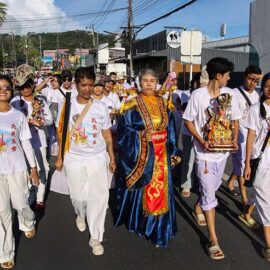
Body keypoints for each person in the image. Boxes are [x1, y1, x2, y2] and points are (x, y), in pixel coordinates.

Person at [114, 69, 181, 247]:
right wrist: (142, 136)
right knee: (146, 189)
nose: (149, 84)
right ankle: (144, 224)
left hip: (163, 154)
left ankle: (161, 228)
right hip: (144, 155)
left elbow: (172, 131)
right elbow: (123, 132)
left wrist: (174, 151)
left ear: (157, 83)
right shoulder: (131, 105)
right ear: (139, 83)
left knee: (162, 192)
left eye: (153, 80)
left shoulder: (165, 104)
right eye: (145, 80)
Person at [183, 57, 242, 260]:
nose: (229, 79)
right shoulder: (198, 96)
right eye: (227, 75)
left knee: (213, 189)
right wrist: (201, 140)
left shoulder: (229, 94)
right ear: (219, 75)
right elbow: (188, 121)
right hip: (204, 154)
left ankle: (198, 205)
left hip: (222, 152)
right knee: (209, 194)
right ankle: (214, 239)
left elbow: (235, 119)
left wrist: (233, 139)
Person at [55, 67, 116, 256]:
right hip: (74, 158)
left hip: (97, 158)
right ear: (76, 85)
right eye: (84, 85)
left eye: (91, 85)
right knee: (78, 197)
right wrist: (59, 157)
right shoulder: (67, 105)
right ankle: (80, 214)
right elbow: (61, 133)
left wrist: (112, 157)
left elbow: (106, 134)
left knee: (99, 197)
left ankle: (96, 236)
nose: (88, 89)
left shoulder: (100, 107)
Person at [0, 75, 39, 269]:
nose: (3, 90)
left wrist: (33, 168)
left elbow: (26, 143)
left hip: (17, 168)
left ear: (11, 91)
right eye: (0, 87)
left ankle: (27, 222)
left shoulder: (18, 115)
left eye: (7, 87)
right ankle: (6, 253)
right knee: (2, 212)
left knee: (22, 204)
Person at [11, 64, 53, 209]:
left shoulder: (40, 99)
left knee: (43, 168)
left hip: (39, 140)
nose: (25, 89)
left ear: (32, 84)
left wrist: (42, 122)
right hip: (22, 144)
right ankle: (30, 194)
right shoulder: (14, 102)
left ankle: (40, 198)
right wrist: (26, 122)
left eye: (28, 85)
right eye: (22, 86)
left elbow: (50, 119)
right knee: (26, 169)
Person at [227, 66, 262, 228]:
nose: (253, 82)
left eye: (257, 80)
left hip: (252, 136)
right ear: (244, 77)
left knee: (245, 163)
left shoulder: (257, 95)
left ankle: (230, 181)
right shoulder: (234, 93)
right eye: (251, 78)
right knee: (243, 165)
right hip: (238, 136)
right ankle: (244, 200)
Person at [244, 73, 270, 261]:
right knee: (266, 201)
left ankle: (247, 212)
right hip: (261, 160)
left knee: (261, 195)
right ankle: (269, 245)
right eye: (267, 86)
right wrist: (246, 163)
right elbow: (251, 138)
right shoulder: (255, 109)